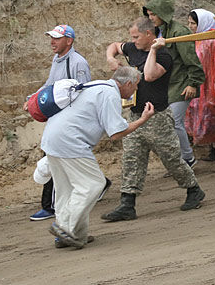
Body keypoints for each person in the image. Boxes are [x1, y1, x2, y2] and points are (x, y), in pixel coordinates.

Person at [102, 17, 205, 222]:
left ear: (149, 34)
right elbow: (114, 46)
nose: (133, 41)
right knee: (131, 158)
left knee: (171, 159)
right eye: (132, 37)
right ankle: (127, 203)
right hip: (136, 114)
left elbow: (149, 75)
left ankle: (193, 189)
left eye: (137, 37)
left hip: (157, 116)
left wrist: (154, 51)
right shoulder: (132, 48)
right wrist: (110, 58)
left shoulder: (164, 55)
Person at [43, 67, 154, 249]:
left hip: (52, 137)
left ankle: (74, 234)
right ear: (127, 84)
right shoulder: (110, 94)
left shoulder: (95, 85)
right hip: (71, 142)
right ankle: (65, 228)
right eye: (135, 86)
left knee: (66, 188)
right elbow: (116, 133)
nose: (136, 90)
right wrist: (142, 120)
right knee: (93, 184)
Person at [29, 24, 97, 222]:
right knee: (68, 158)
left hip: (69, 121)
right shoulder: (57, 59)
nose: (52, 41)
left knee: (53, 157)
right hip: (57, 117)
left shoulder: (78, 63)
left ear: (69, 40)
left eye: (57, 38)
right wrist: (33, 98)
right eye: (51, 37)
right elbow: (50, 85)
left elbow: (83, 92)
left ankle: (49, 206)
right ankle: (100, 183)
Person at [143, 0, 205, 167]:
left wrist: (193, 83)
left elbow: (191, 60)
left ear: (163, 14)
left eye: (154, 14)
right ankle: (178, 158)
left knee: (174, 121)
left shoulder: (179, 32)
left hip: (182, 84)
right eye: (149, 15)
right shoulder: (158, 32)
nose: (151, 18)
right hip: (167, 85)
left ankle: (188, 159)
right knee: (166, 122)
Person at [184, 9, 215, 161]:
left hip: (212, 83)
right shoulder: (196, 39)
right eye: (189, 23)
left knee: (213, 113)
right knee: (198, 112)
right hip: (199, 83)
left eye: (193, 23)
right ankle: (201, 142)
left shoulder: (213, 37)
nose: (190, 26)